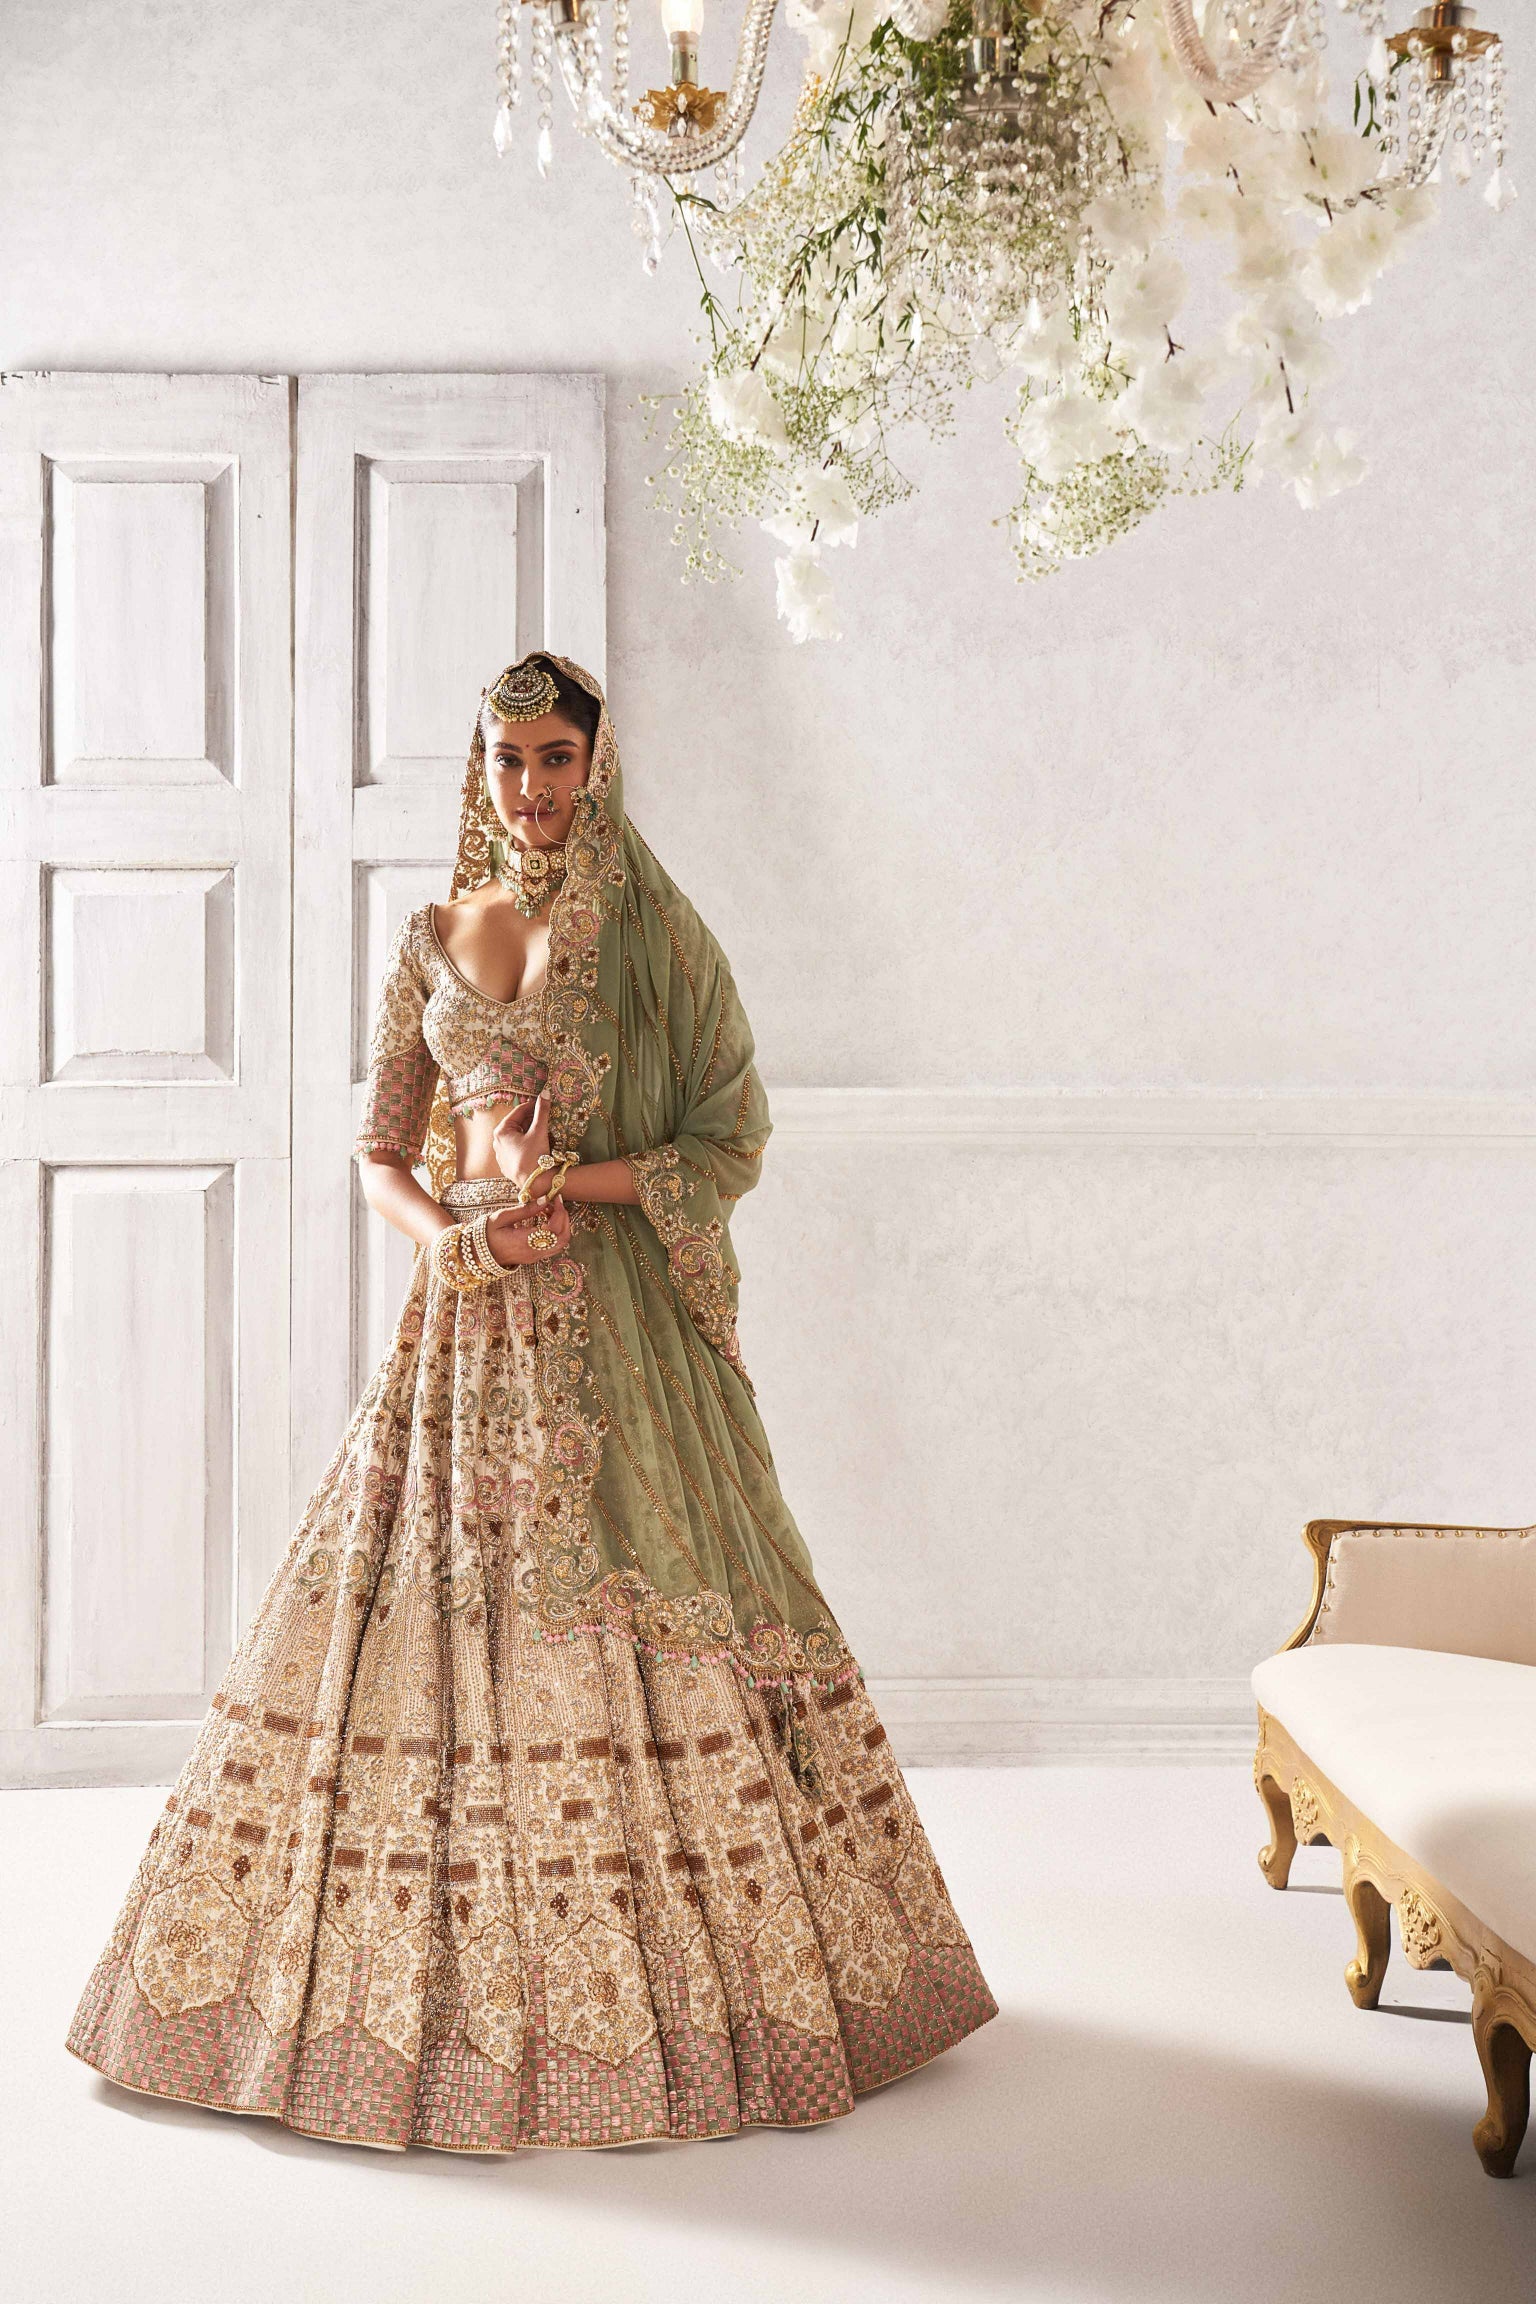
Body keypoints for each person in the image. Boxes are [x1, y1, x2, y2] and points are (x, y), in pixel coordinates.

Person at [66, 652, 997, 2153]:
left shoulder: (651, 933)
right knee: (426, 1615)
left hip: (615, 1327)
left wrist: (578, 1185)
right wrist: (462, 1241)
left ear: (596, 763)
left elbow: (733, 1132)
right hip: (464, 1323)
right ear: (480, 770)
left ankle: (692, 2004)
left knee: (636, 1603)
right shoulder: (432, 934)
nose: (532, 787)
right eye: (509, 761)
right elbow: (382, 1154)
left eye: (557, 758)